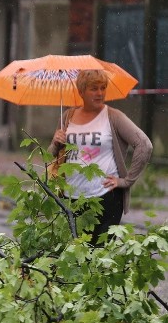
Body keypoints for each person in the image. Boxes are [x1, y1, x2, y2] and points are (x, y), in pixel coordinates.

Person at [49, 69, 152, 242]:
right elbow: (52, 155)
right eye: (94, 88)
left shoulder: (113, 116)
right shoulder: (67, 116)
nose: (100, 93)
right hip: (70, 198)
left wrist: (126, 181)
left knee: (98, 258)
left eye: (103, 88)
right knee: (73, 257)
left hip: (105, 198)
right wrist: (55, 142)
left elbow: (144, 145)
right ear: (81, 91)